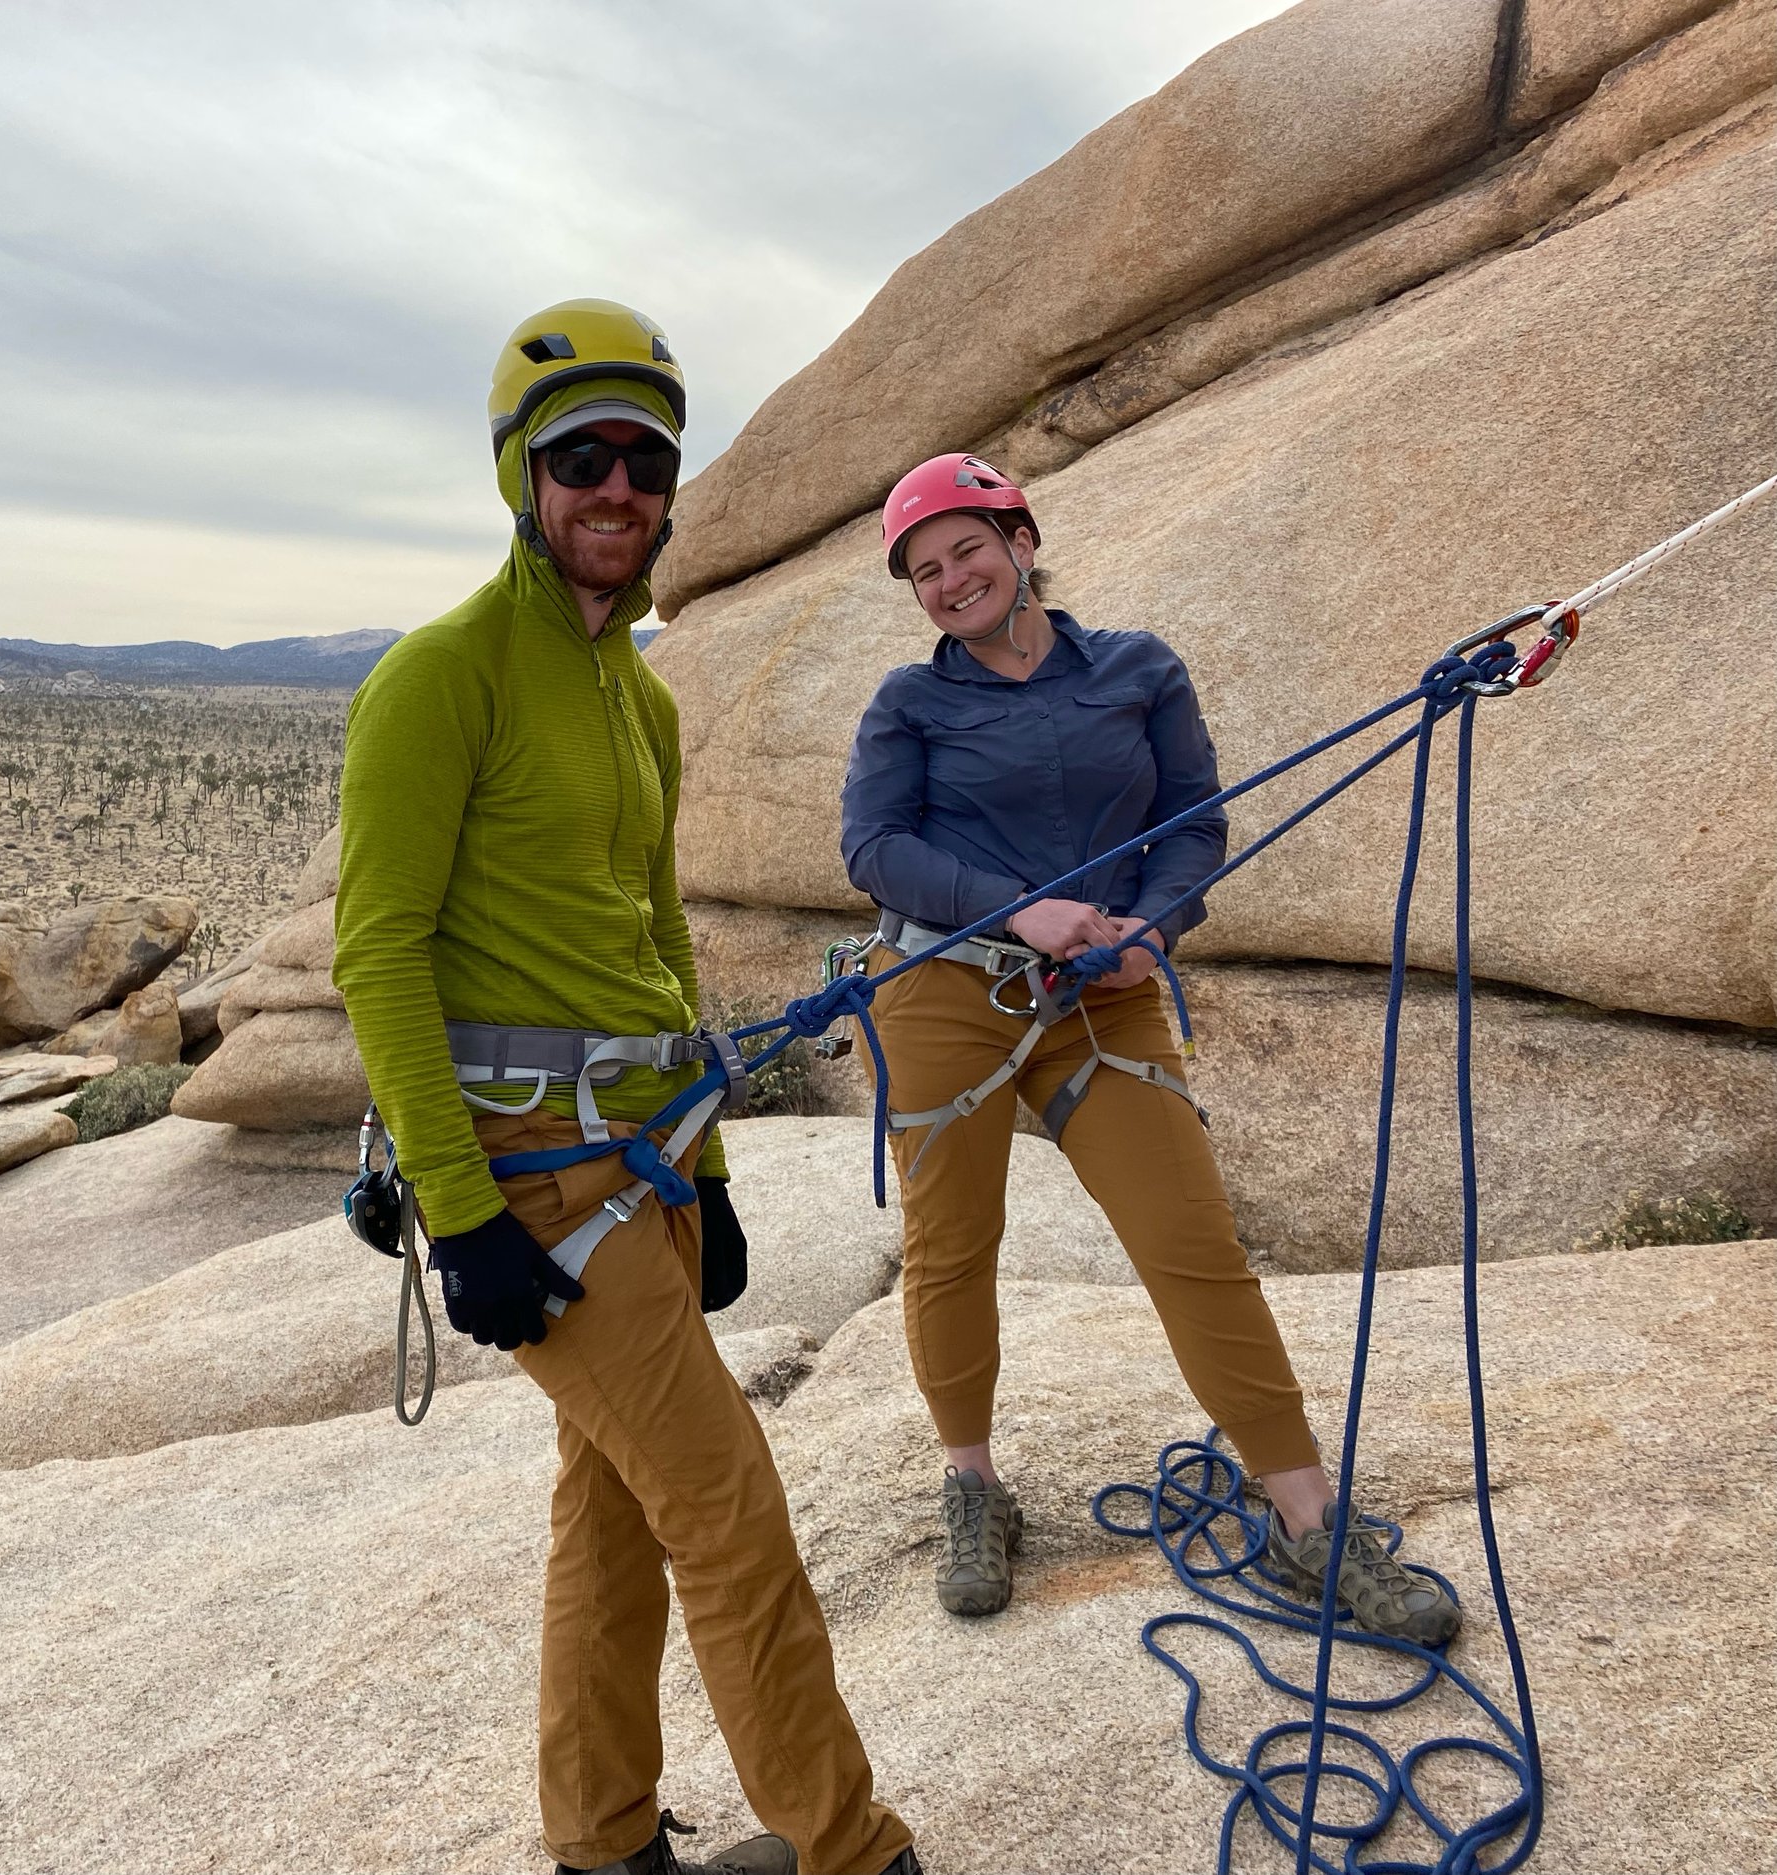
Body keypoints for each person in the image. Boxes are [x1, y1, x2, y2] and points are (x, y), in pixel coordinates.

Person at [333, 299, 921, 1875]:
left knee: (614, 1518)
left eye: (643, 460)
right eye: (580, 456)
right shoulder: (441, 675)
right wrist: (463, 1215)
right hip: (530, 1176)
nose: (616, 487)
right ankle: (854, 1849)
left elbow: (657, 946)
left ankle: (600, 1842)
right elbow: (378, 957)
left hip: (644, 1167)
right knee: (730, 1517)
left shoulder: (638, 693)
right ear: (523, 473)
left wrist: (714, 1182)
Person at [838, 453, 1462, 1644]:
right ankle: (972, 1485)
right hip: (945, 990)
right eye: (924, 571)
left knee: (1191, 1242)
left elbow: (1195, 822)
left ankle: (1304, 1523)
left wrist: (1154, 930)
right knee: (954, 1246)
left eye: (967, 548)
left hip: (1099, 1000)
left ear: (1020, 540)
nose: (949, 579)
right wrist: (1018, 906)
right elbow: (874, 849)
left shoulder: (1137, 668)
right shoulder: (909, 704)